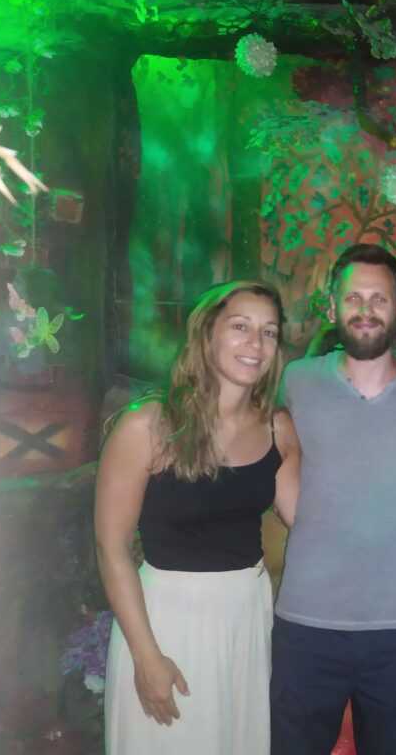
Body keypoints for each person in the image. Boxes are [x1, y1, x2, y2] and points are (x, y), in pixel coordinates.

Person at [96, 280, 300, 755]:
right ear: (207, 335)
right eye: (240, 327)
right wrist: (146, 656)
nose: (256, 343)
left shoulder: (278, 427)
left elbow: (306, 522)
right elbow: (111, 547)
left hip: (246, 613)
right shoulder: (147, 425)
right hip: (167, 618)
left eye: (269, 332)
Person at [270, 244, 396, 755]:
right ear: (332, 307)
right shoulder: (296, 381)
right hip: (306, 623)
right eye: (352, 298)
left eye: (379, 298)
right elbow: (257, 444)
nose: (365, 309)